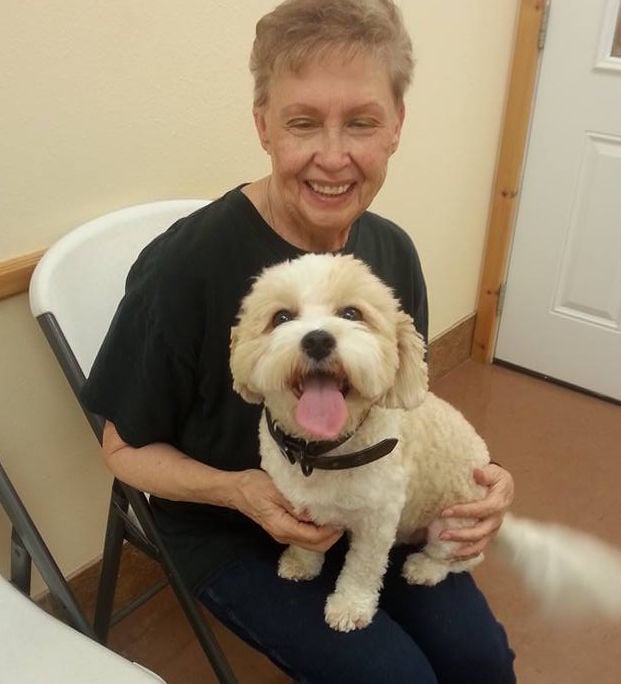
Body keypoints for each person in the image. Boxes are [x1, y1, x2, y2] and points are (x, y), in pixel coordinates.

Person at [81, 1, 516, 682]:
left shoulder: (391, 254)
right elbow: (121, 450)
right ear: (263, 124)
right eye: (303, 122)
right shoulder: (184, 267)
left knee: (480, 661)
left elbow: (407, 404)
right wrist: (240, 492)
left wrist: (482, 479)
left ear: (397, 125)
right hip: (229, 523)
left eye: (362, 122)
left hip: (370, 494)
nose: (333, 157)